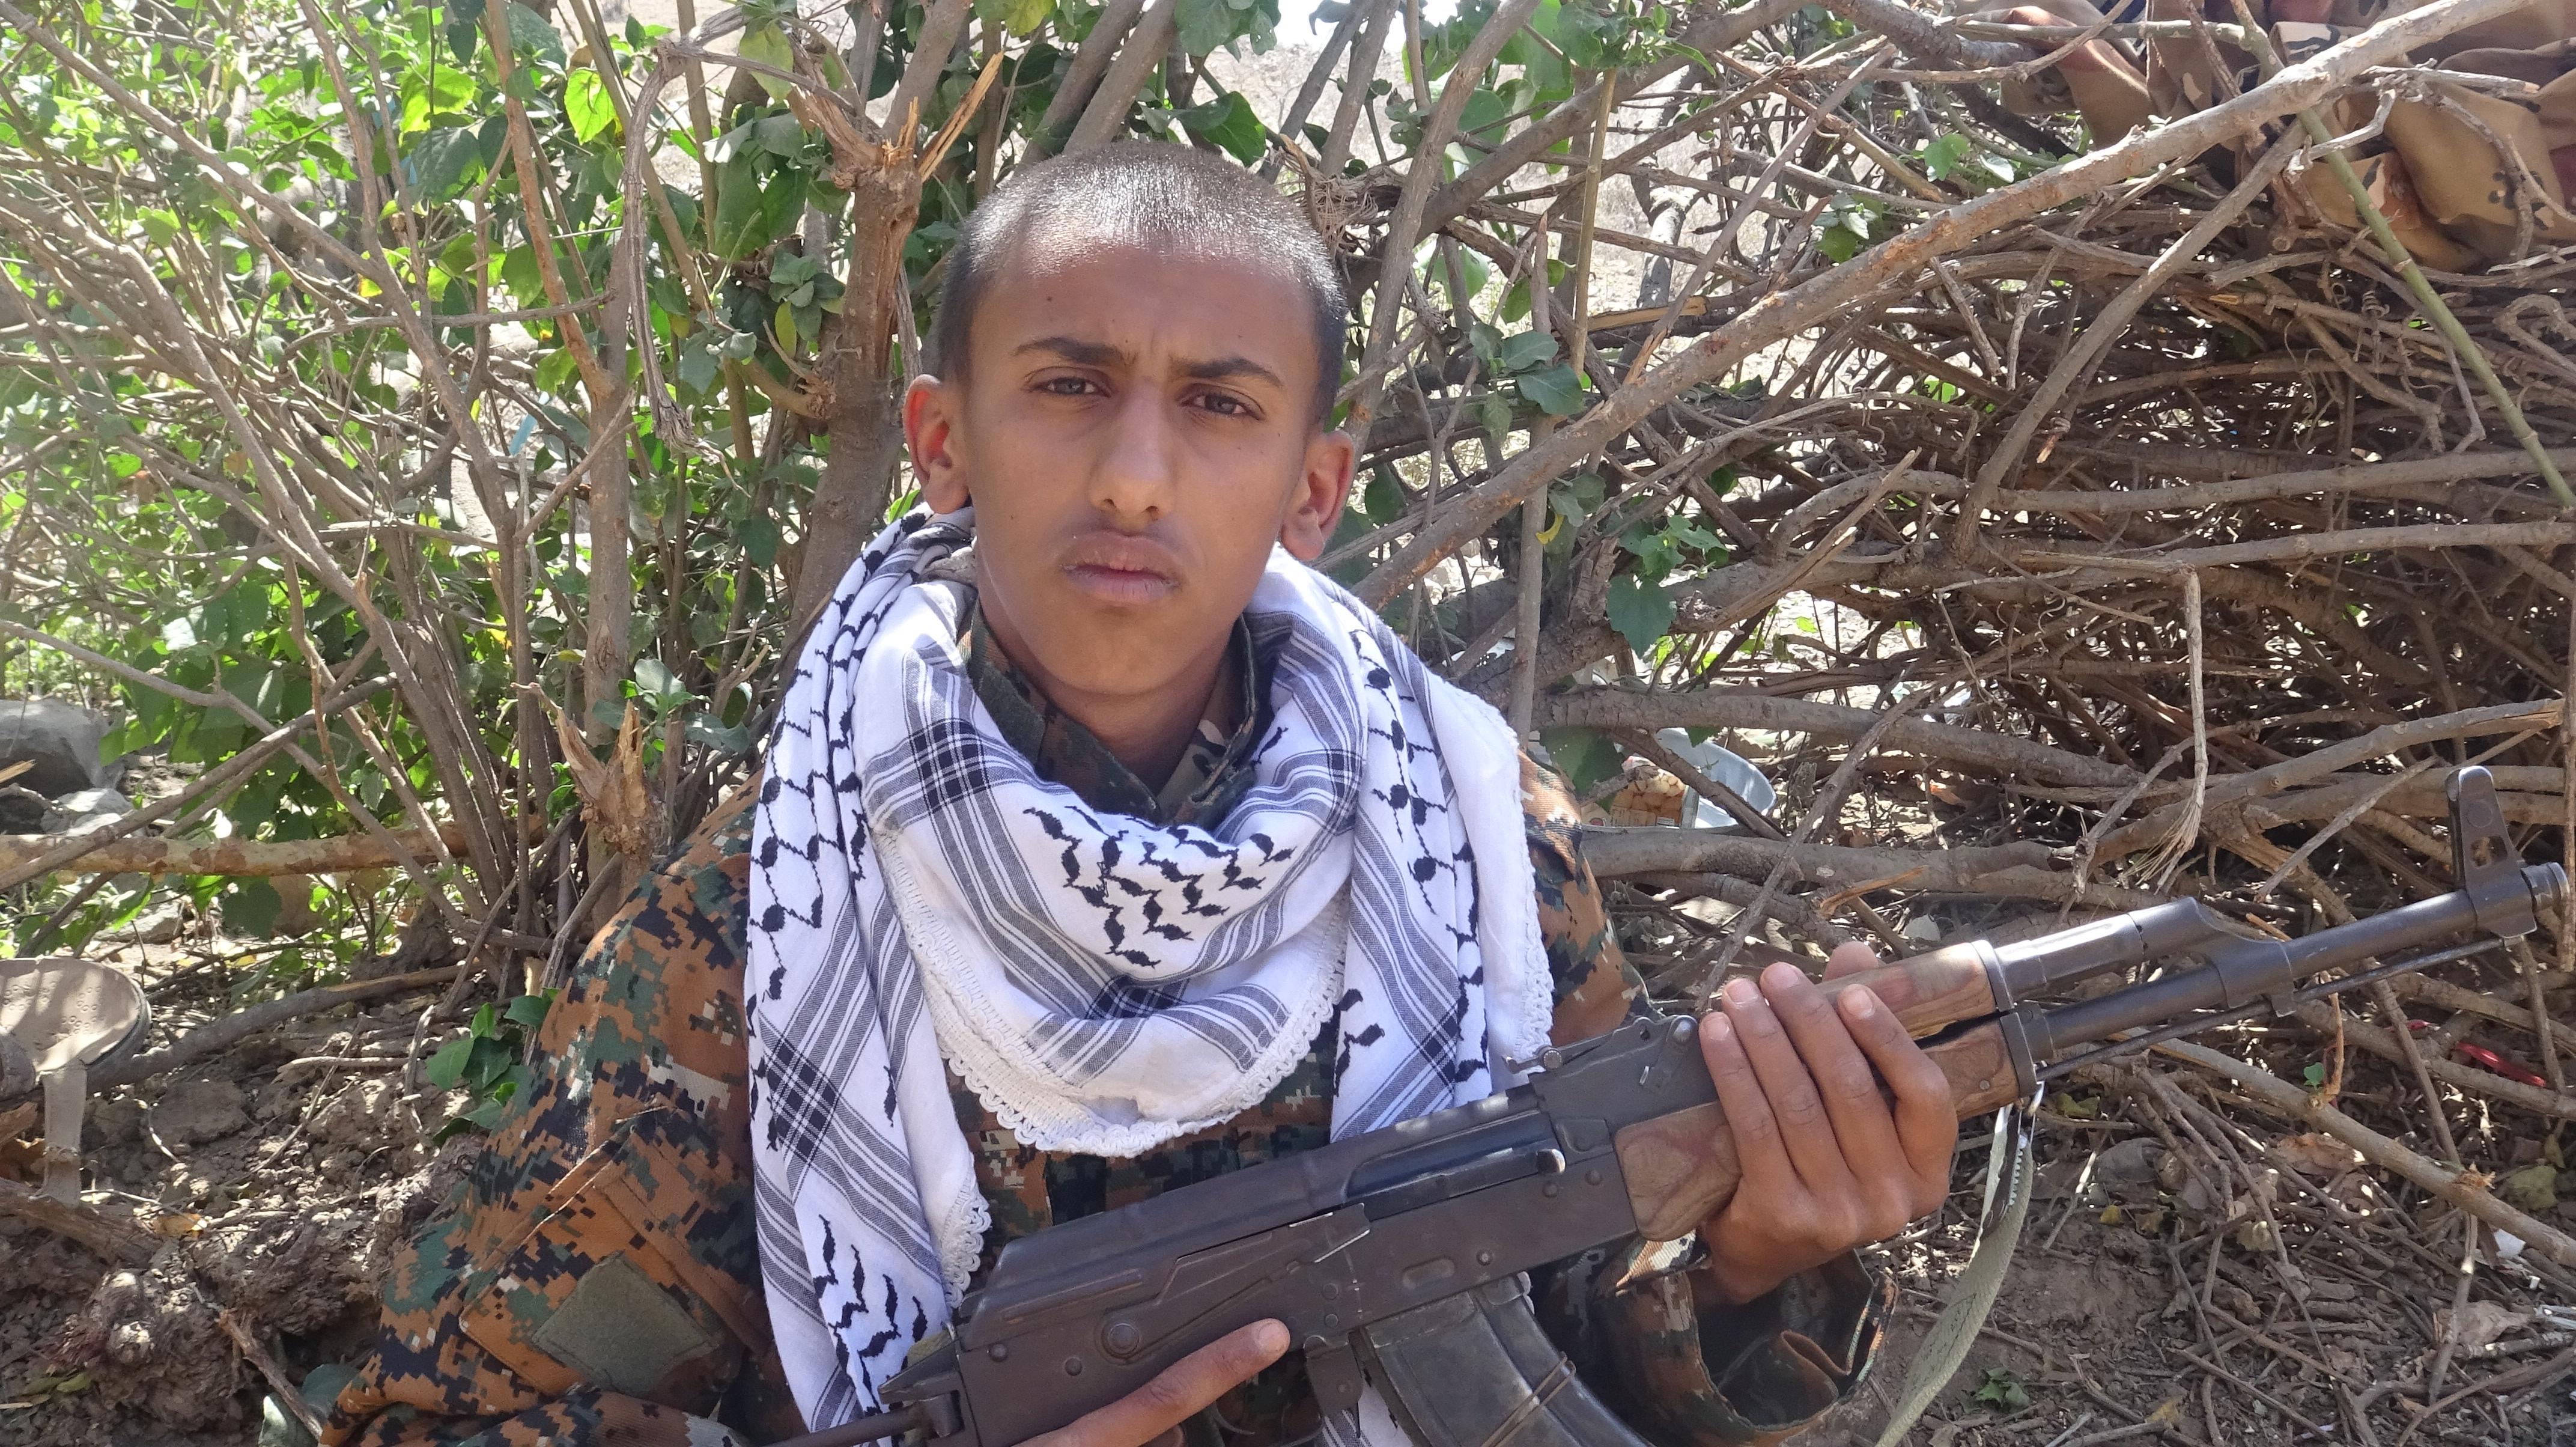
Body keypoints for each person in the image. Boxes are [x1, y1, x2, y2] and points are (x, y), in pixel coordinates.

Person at [313, 142, 1958, 1447]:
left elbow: (1565, 1306)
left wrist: (1751, 1264)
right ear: (943, 444)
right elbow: (445, 1421)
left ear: (1313, 488)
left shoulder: (1468, 840)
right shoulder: (762, 928)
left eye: (1220, 406)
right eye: (1070, 385)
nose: (1134, 476)